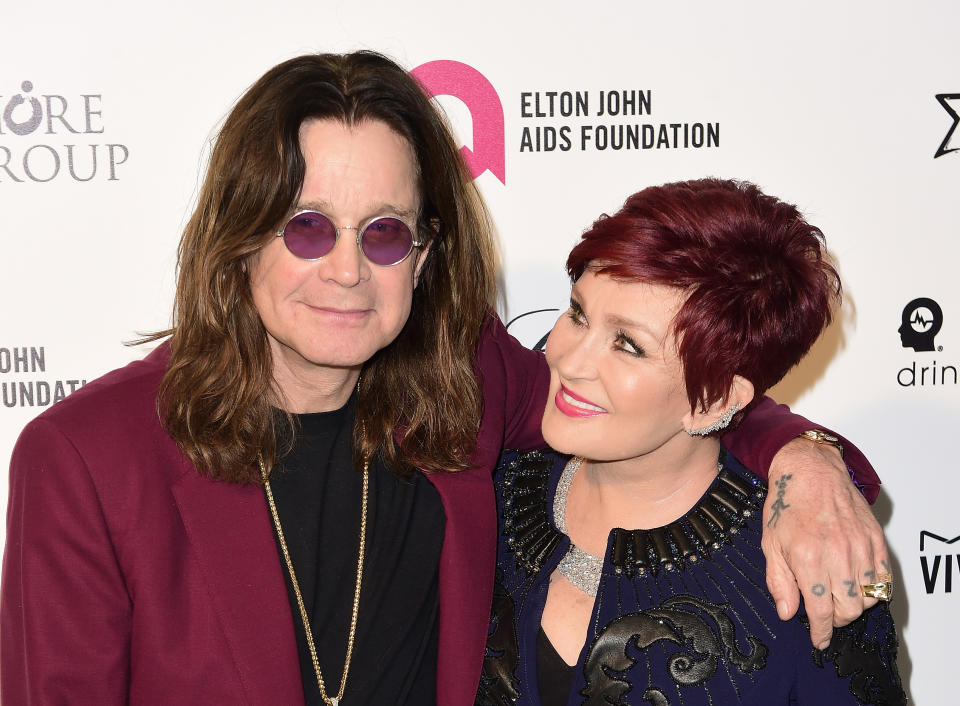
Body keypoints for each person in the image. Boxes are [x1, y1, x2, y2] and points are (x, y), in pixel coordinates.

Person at [0, 53, 884, 705]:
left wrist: (806, 460)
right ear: (239, 237)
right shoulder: (86, 459)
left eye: (383, 232)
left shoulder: (463, 384)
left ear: (423, 255)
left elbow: (672, 392)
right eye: (307, 227)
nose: (347, 271)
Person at [477, 179, 904, 705]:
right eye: (578, 313)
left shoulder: (809, 558)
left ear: (716, 400)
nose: (569, 360)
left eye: (627, 346)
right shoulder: (490, 478)